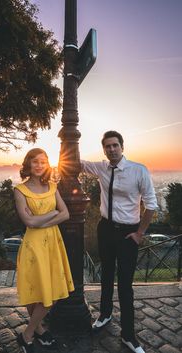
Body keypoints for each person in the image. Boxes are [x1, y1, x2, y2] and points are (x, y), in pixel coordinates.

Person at [81, 131, 157, 353]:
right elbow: (79, 163)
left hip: (128, 233)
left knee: (125, 284)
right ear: (104, 149)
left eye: (115, 145)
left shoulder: (138, 170)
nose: (111, 149)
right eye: (107, 146)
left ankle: (128, 335)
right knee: (105, 274)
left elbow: (151, 204)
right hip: (105, 228)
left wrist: (140, 233)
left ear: (122, 146)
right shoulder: (102, 168)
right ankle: (104, 315)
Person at [14, 148, 74, 353]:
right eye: (35, 161)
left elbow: (65, 214)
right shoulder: (20, 190)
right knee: (35, 291)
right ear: (28, 164)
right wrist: (52, 213)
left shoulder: (52, 186)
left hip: (53, 243)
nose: (39, 165)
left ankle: (28, 333)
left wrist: (42, 219)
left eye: (43, 162)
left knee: (54, 292)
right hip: (33, 246)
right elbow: (28, 221)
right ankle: (34, 331)